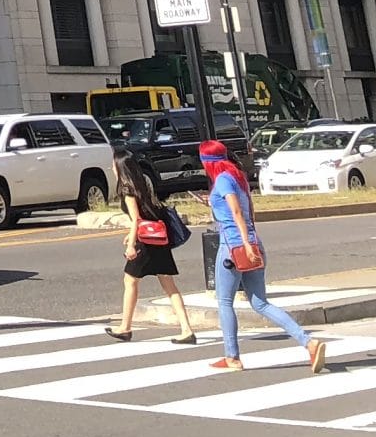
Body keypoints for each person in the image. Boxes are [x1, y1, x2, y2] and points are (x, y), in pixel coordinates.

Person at [203, 139, 323, 373]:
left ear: (207, 161)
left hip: (233, 246)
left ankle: (232, 357)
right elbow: (247, 210)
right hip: (253, 242)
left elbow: (236, 211)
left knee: (225, 301)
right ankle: (308, 342)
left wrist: (245, 243)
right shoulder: (237, 177)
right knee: (260, 303)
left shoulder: (223, 180)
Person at [109, 152, 195, 344]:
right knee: (169, 285)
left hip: (145, 242)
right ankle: (186, 329)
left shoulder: (126, 189)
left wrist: (132, 244)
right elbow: (149, 213)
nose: (112, 168)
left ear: (120, 167)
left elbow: (136, 220)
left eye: (113, 164)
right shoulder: (144, 183)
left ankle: (125, 327)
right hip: (159, 239)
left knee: (130, 281)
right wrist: (131, 235)